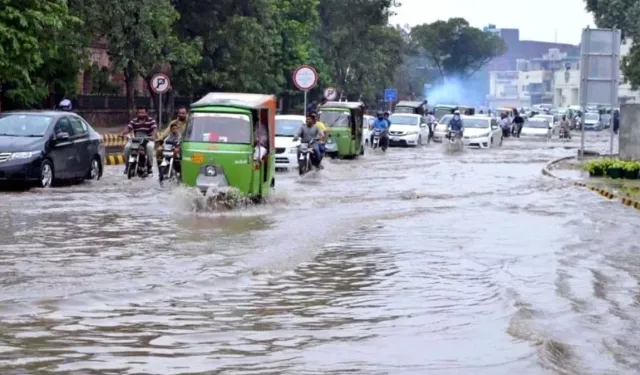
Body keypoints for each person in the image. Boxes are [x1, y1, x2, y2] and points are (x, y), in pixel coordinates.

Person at [122, 106, 157, 174]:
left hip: (148, 139)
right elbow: (128, 128)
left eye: (142, 112)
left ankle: (150, 166)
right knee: (126, 148)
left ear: (146, 113)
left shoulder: (151, 120)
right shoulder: (134, 121)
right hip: (136, 139)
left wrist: (153, 136)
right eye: (139, 112)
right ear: (137, 113)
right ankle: (127, 166)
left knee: (149, 148)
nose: (141, 114)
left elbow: (154, 129)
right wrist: (122, 133)